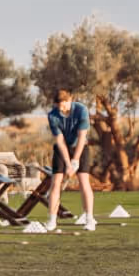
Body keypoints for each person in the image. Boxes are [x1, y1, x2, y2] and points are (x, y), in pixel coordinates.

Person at [45, 87, 96, 232]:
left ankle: (89, 219)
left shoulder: (81, 110)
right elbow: (59, 141)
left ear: (70, 100)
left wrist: (75, 160)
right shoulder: (52, 115)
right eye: (59, 107)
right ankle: (52, 220)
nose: (62, 109)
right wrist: (68, 163)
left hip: (80, 147)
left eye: (64, 105)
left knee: (84, 182)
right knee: (56, 183)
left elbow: (81, 137)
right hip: (62, 149)